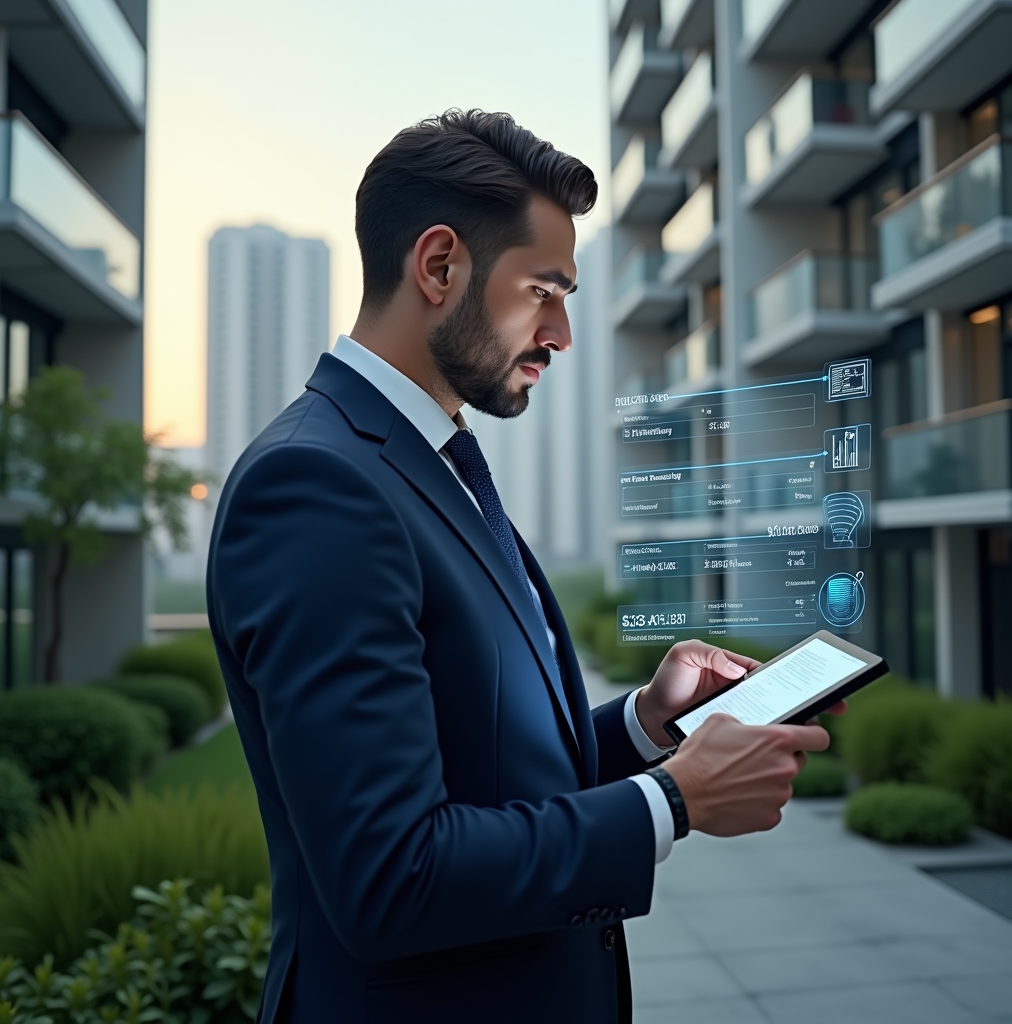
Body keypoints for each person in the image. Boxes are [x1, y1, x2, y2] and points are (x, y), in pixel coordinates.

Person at [207, 109, 834, 1024]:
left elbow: (489, 766)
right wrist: (672, 801)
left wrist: (647, 726)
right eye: (543, 291)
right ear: (439, 266)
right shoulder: (317, 486)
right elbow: (392, 877)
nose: (562, 333)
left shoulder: (426, 461)